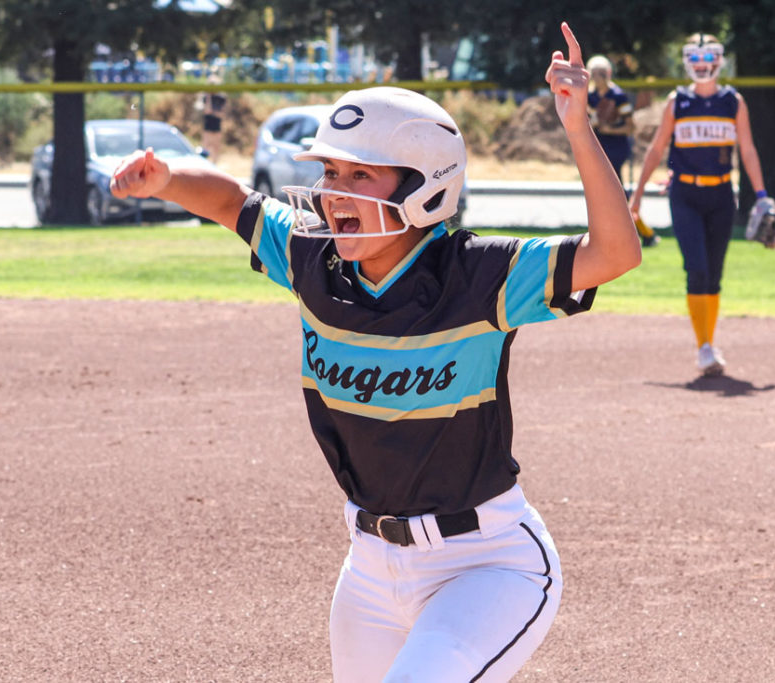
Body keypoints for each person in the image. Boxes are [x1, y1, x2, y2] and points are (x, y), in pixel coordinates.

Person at [111, 22, 639, 682]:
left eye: (362, 172)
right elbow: (230, 202)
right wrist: (165, 177)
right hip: (369, 567)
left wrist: (578, 129)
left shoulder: (479, 274)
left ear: (425, 185)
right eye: (332, 170)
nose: (336, 190)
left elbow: (615, 253)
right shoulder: (312, 259)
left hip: (487, 562)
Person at [628, 32, 768, 377]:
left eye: (708, 60)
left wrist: (763, 195)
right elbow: (657, 148)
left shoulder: (733, 102)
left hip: (722, 196)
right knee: (697, 267)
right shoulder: (678, 102)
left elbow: (747, 149)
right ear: (687, 62)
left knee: (715, 272)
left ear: (719, 61)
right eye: (696, 60)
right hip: (685, 195)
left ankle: (708, 341)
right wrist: (637, 194)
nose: (702, 66)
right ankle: (704, 347)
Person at [587, 54, 658, 247]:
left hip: (616, 147)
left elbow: (631, 127)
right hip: (598, 149)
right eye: (594, 73)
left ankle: (643, 232)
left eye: (601, 73)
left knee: (616, 194)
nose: (598, 77)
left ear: (608, 74)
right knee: (603, 194)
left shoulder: (617, 96)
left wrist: (610, 129)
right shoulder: (590, 97)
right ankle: (614, 233)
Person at [199, 72, 227, 162]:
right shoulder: (206, 97)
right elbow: (207, 111)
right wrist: (208, 96)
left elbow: (221, 114)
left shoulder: (221, 98)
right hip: (208, 125)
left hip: (216, 125)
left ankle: (215, 164)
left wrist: (213, 113)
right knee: (206, 146)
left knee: (216, 147)